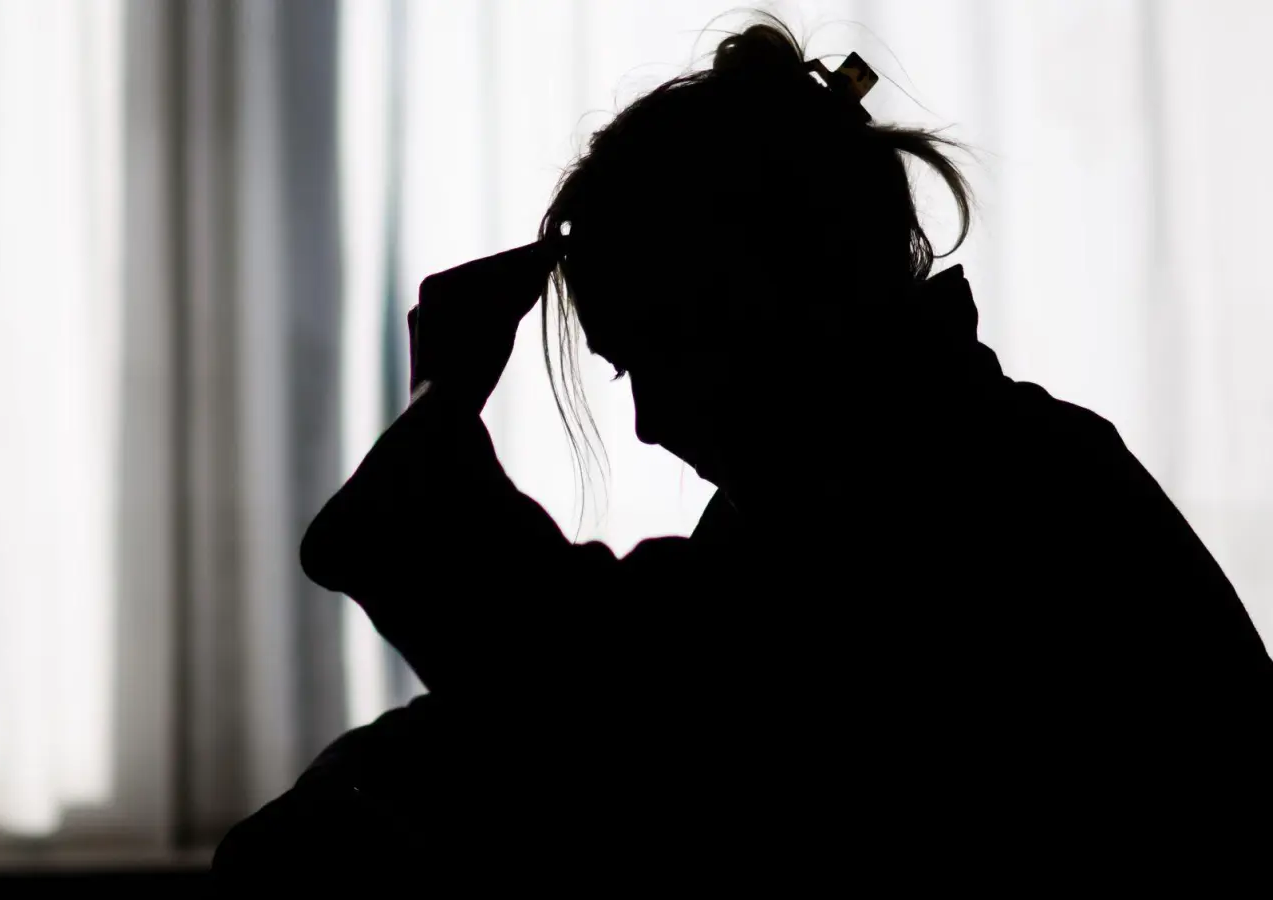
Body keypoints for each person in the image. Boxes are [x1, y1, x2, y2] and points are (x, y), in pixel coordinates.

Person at [210, 16, 1273, 892]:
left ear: (782, 296)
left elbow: (606, 697)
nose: (648, 424)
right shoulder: (950, 465)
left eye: (655, 355)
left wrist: (443, 409)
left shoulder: (957, 504)